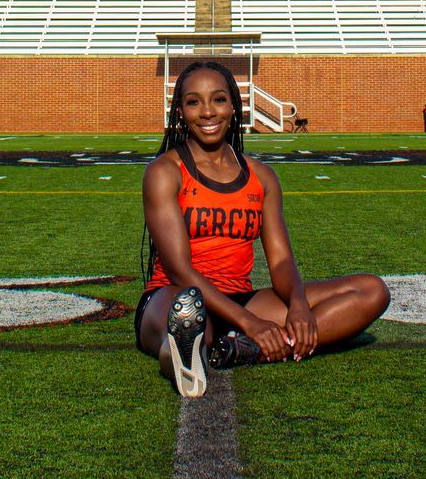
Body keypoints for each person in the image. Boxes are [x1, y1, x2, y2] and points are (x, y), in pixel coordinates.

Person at [135, 60, 390, 397]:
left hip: (240, 297)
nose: (208, 112)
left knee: (372, 291)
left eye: (219, 100)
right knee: (190, 317)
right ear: (180, 111)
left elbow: (282, 261)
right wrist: (251, 323)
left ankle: (243, 349)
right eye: (194, 102)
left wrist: (298, 306)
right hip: (177, 297)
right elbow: (180, 271)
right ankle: (180, 354)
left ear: (234, 106)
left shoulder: (262, 177)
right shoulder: (165, 171)